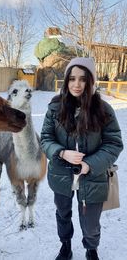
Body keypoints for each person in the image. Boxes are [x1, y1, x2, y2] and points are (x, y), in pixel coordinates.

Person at [40, 57, 123, 260]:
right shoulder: (54, 108)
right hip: (61, 175)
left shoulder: (104, 110)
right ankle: (65, 245)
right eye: (72, 79)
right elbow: (45, 139)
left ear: (91, 81)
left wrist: (89, 164)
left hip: (92, 177)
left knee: (91, 221)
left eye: (83, 79)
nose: (76, 84)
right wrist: (61, 152)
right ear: (67, 81)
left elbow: (114, 143)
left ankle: (91, 249)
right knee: (63, 215)